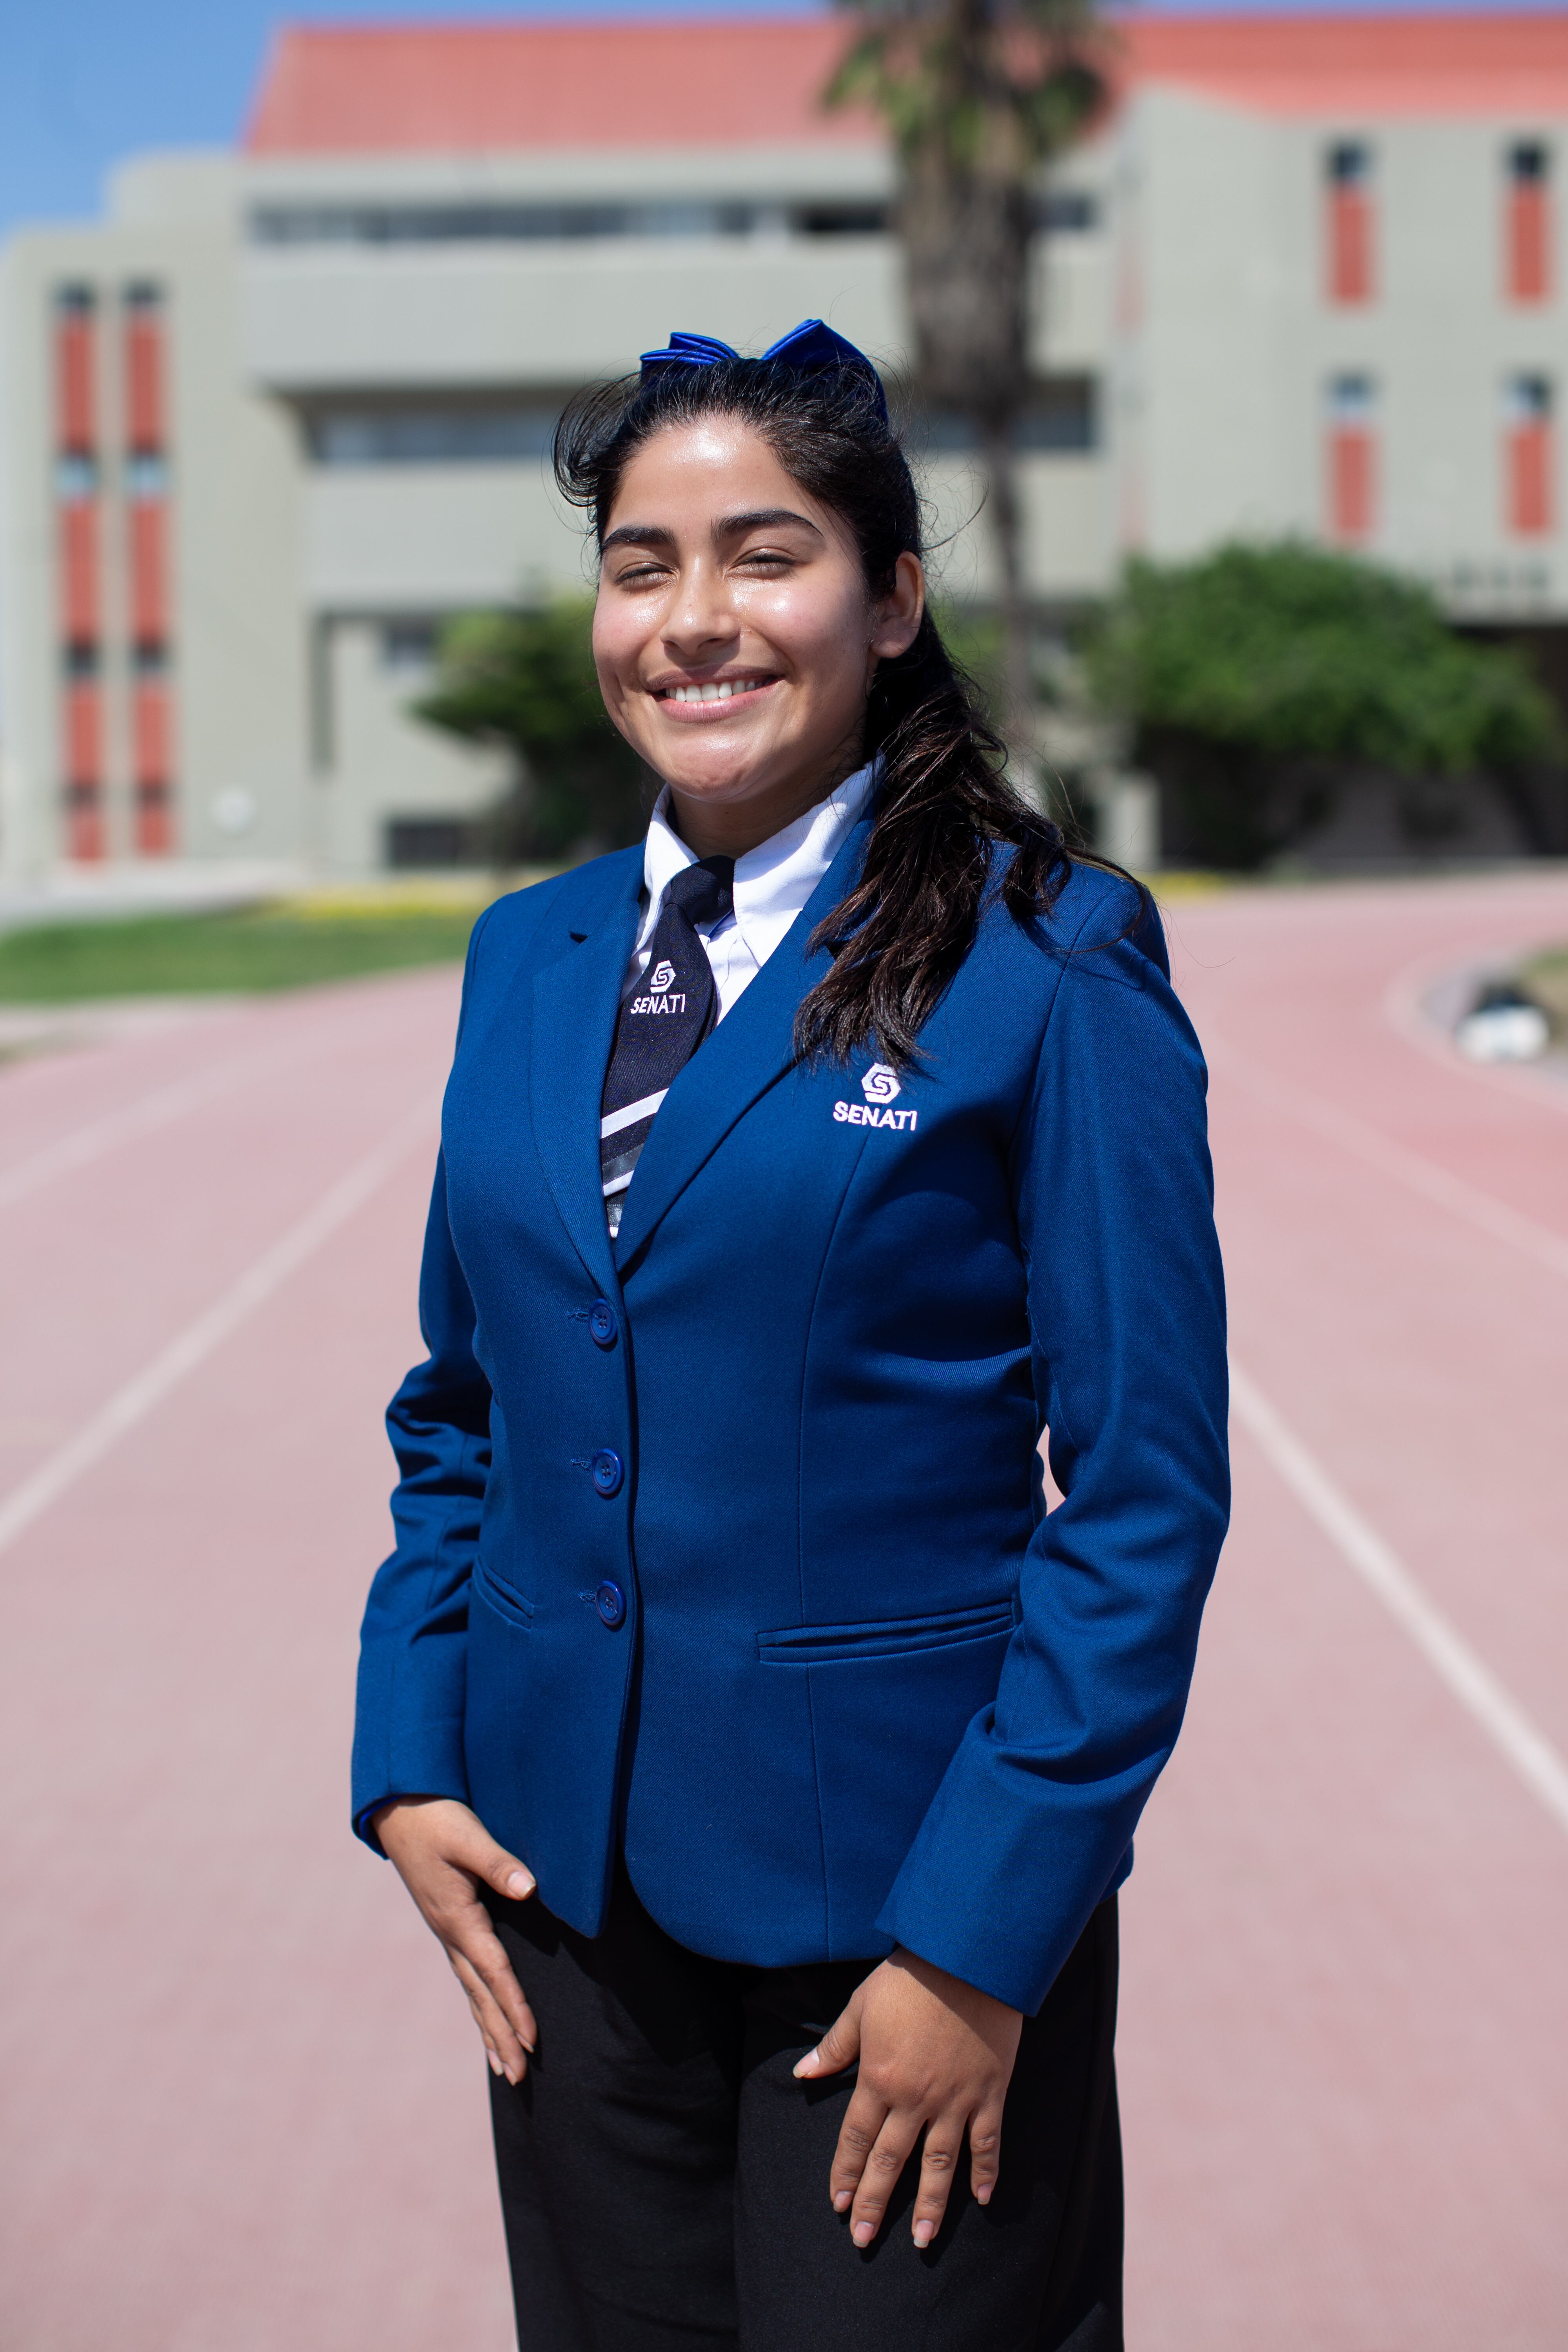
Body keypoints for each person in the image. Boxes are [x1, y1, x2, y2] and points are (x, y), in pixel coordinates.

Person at [352, 319, 1229, 2352]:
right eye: (642, 563)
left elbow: (1144, 1494)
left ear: (894, 598)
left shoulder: (1051, 956)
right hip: (565, 1923)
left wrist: (984, 1944)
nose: (694, 620)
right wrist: (412, 1753)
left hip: (897, 1939)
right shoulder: (531, 954)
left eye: (766, 555)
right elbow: (463, 1405)